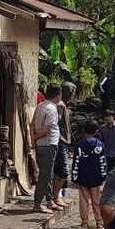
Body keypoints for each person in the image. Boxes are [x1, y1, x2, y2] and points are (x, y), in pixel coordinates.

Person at [30, 85, 63, 213]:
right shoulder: (51, 109)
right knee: (46, 175)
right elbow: (46, 129)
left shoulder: (40, 106)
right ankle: (37, 203)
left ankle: (49, 201)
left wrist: (33, 140)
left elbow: (32, 124)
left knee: (47, 173)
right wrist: (38, 137)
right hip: (49, 144)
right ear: (58, 95)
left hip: (41, 145)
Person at [72, 120, 108, 229]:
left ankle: (85, 222)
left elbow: (76, 162)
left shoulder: (79, 145)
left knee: (83, 200)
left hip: (82, 177)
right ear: (96, 132)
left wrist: (74, 177)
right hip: (96, 177)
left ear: (83, 131)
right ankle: (99, 222)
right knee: (97, 201)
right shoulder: (99, 145)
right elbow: (103, 162)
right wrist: (103, 176)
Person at [53, 82, 76, 197]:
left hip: (64, 140)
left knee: (61, 169)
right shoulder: (60, 105)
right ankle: (57, 195)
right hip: (60, 140)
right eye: (71, 91)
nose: (72, 94)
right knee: (62, 170)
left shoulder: (64, 105)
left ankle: (63, 193)